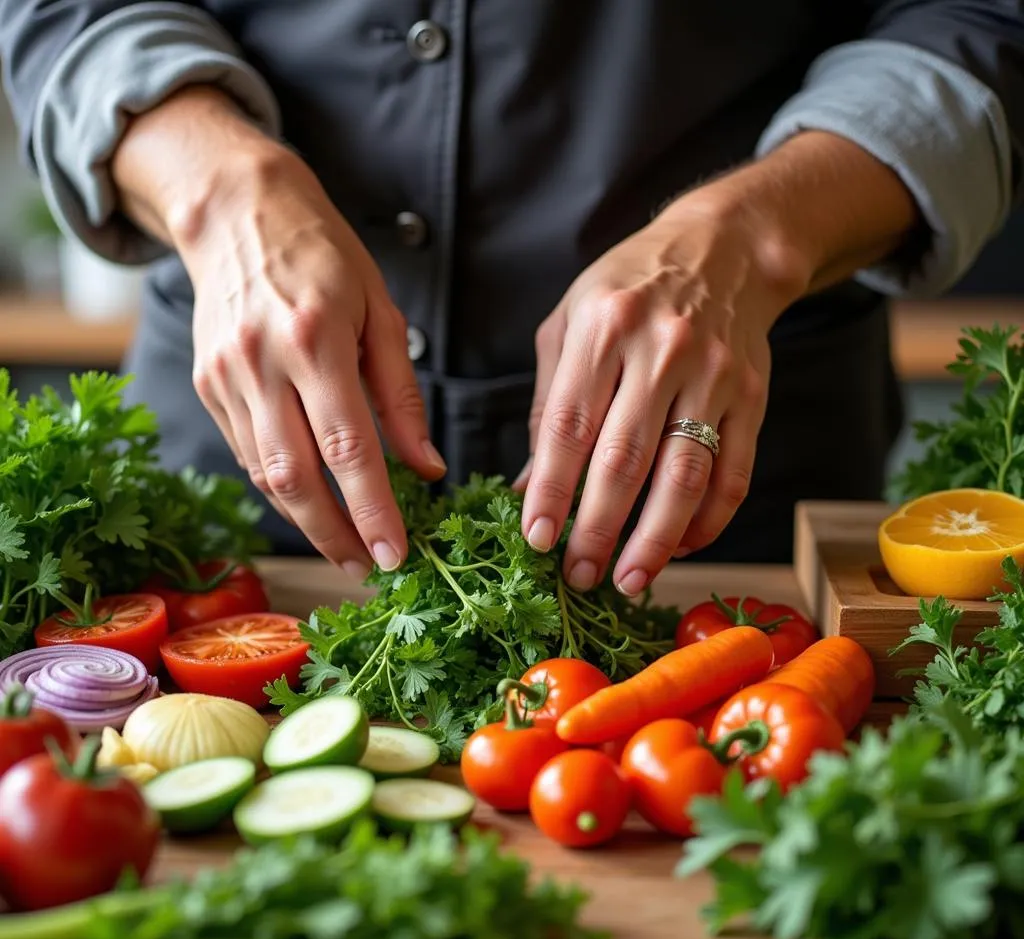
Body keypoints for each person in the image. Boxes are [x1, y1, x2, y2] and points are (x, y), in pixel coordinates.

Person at [2, 2, 1022, 596]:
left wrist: (753, 237)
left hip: (722, 498)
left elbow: (981, 18)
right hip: (228, 485)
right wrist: (220, 187)